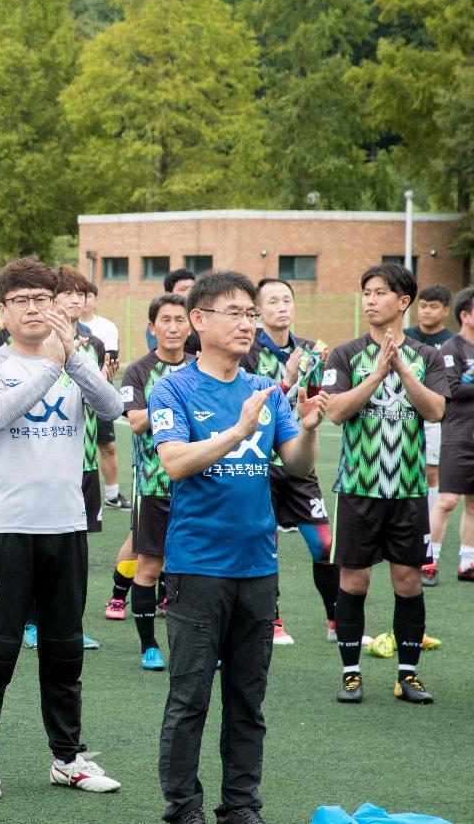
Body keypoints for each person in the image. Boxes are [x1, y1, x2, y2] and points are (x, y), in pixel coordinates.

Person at [150, 270, 326, 824]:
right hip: (197, 567)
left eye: (252, 314)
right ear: (199, 321)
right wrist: (237, 430)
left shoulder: (263, 387)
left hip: (258, 568)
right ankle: (184, 809)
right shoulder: (173, 387)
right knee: (190, 700)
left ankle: (242, 807)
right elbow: (174, 462)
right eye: (237, 313)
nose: (249, 323)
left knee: (248, 701)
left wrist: (309, 427)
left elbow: (296, 465)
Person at [0, 258, 124, 801]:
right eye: (21, 301)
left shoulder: (78, 358)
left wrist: (71, 359)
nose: (34, 310)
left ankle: (68, 757)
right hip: (6, 528)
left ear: (58, 306)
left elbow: (111, 407)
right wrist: (52, 368)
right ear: (2, 312)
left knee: (64, 647)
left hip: (66, 526)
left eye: (42, 300)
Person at [324, 264, 447, 705]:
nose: (370, 300)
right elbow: (336, 412)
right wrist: (376, 374)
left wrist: (401, 369)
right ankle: (351, 674)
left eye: (380, 292)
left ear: (403, 302)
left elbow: (434, 410)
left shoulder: (429, 357)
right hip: (358, 489)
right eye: (366, 292)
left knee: (408, 583)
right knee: (354, 582)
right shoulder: (344, 355)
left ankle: (408, 675)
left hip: (410, 491)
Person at [241, 278, 338, 643]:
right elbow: (247, 406)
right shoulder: (247, 351)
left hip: (298, 460)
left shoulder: (312, 350)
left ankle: (336, 622)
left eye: (287, 300)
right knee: (266, 544)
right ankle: (273, 622)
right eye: (273, 301)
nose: (282, 307)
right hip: (258, 463)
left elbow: (317, 397)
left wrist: (315, 395)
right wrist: (287, 380)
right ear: (258, 311)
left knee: (325, 545)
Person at [120, 294, 193, 671]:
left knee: (193, 568)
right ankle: (149, 646)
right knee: (149, 567)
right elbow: (134, 421)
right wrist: (175, 402)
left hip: (194, 486)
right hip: (152, 485)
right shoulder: (137, 372)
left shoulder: (200, 368)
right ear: (152, 327)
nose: (173, 327)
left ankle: (195, 645)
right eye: (165, 320)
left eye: (180, 320)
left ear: (190, 326)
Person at [404, 285, 453, 584]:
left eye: (433, 306)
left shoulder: (450, 342)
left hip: (432, 415)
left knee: (430, 473)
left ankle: (424, 534)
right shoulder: (406, 336)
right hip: (400, 412)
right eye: (423, 306)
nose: (426, 311)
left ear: (445, 310)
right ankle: (404, 531)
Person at [431, 287, 474, 581]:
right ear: (465, 315)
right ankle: (428, 560)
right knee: (447, 500)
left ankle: (467, 562)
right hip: (458, 435)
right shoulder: (451, 349)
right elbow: (454, 390)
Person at [80, 282, 125, 511]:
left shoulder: (106, 327)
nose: (82, 300)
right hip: (74, 397)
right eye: (75, 295)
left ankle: (112, 493)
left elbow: (109, 360)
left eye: (86, 295)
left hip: (98, 393)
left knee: (107, 445)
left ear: (94, 299)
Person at [146, 269, 196, 351]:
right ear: (169, 294)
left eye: (192, 289)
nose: (189, 293)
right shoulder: (158, 324)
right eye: (183, 289)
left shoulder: (201, 320)